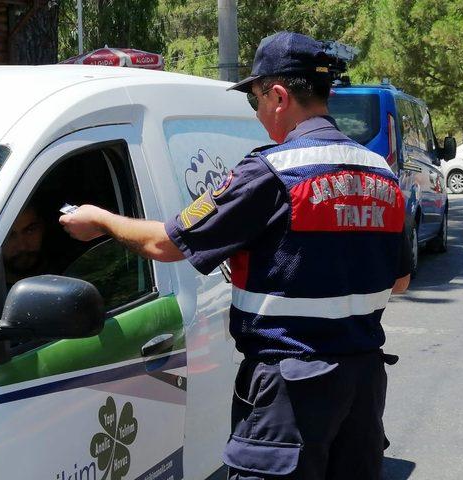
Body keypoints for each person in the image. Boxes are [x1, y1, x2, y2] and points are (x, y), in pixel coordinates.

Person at [60, 31, 411, 480]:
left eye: (256, 99)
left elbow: (164, 244)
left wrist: (101, 219)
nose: (258, 113)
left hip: (292, 393)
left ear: (278, 95)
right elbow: (398, 281)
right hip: (362, 386)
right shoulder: (379, 171)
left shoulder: (273, 171)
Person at [2, 203, 53, 289]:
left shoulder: (70, 271)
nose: (22, 246)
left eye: (30, 230)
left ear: (42, 227)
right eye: (9, 235)